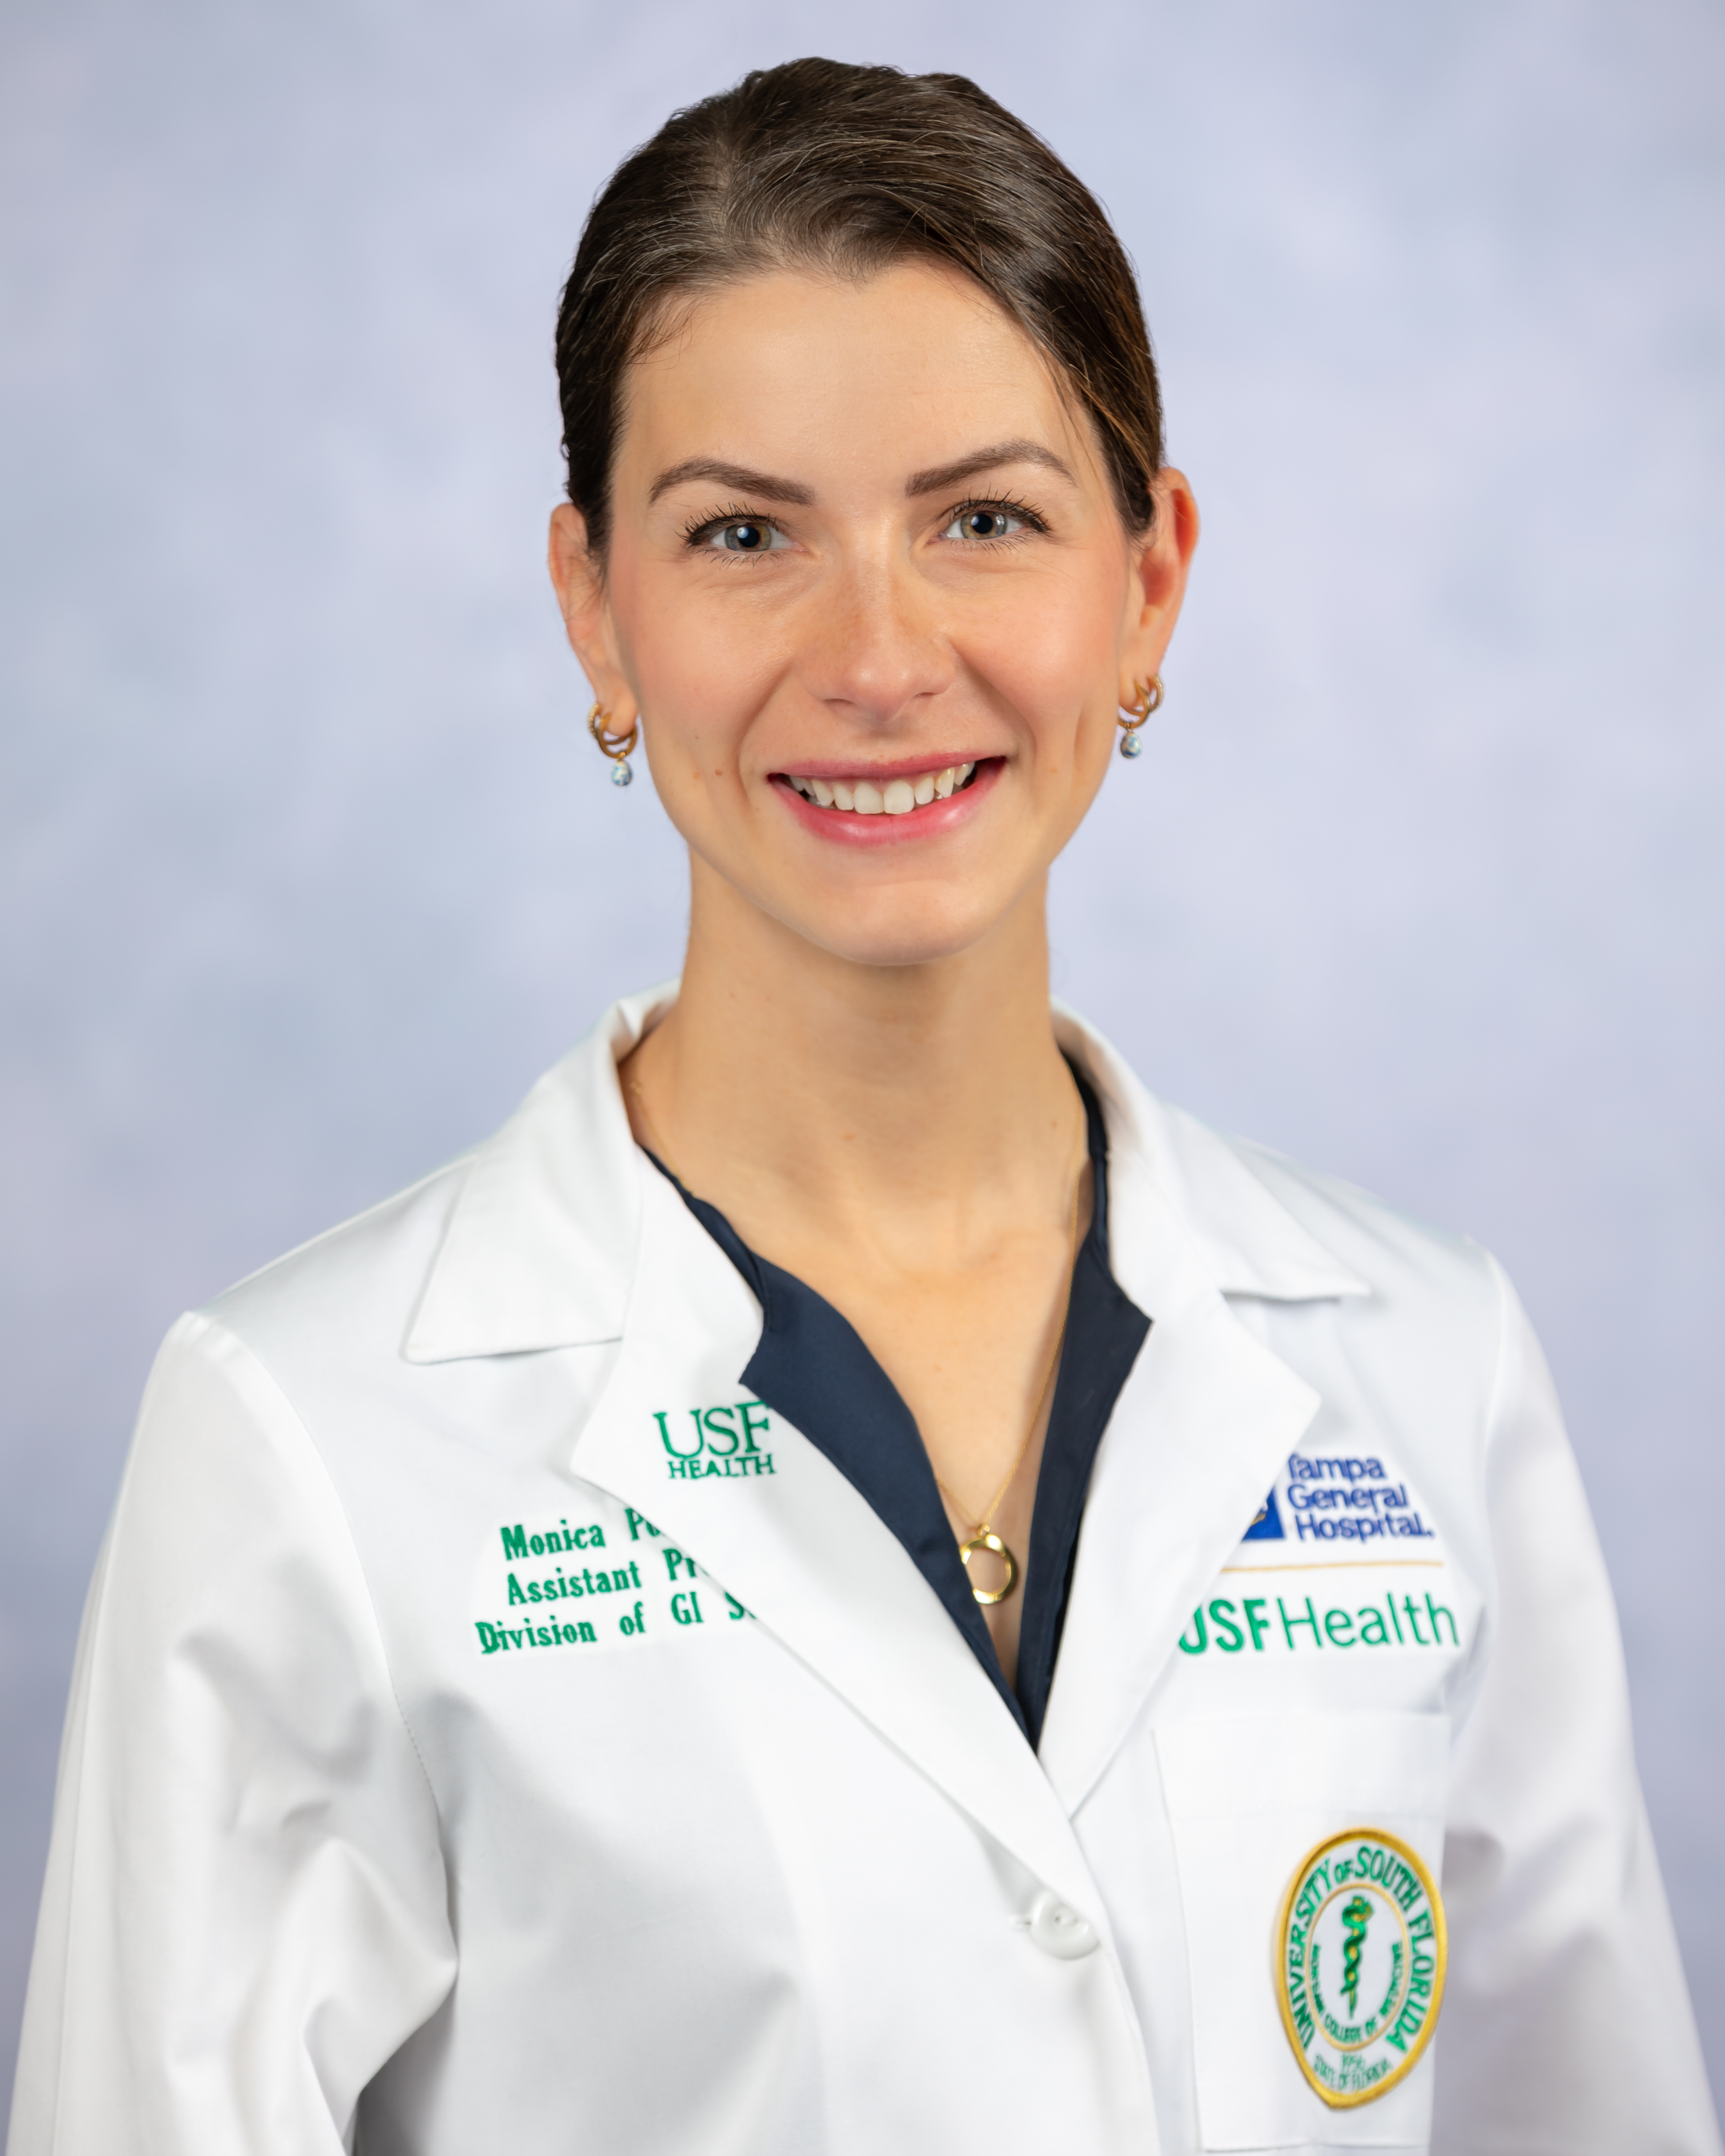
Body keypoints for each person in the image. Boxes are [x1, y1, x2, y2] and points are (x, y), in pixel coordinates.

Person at [8, 56, 1718, 2156]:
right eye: (743, 533)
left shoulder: (1422, 1363)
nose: (881, 655)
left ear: (1148, 581)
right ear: (593, 606)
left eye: (983, 519)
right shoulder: (311, 1436)